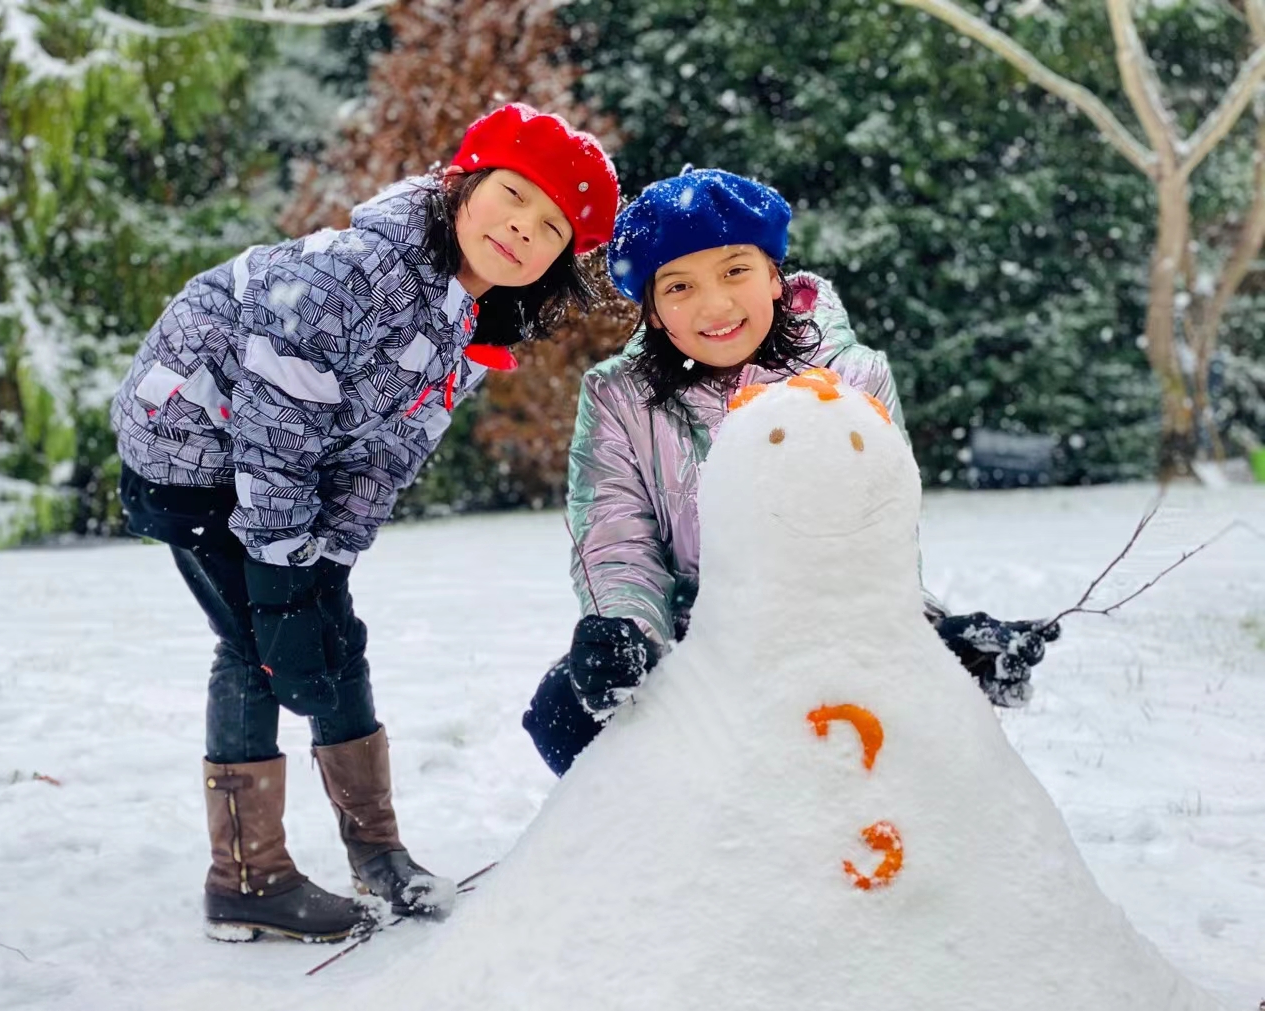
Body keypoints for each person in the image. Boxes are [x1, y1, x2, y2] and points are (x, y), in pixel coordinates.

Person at [111, 104, 618, 940]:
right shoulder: (354, 277)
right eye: (512, 195)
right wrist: (283, 579)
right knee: (258, 647)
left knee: (334, 638)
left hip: (282, 476)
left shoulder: (465, 317)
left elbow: (387, 451)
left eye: (551, 227)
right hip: (193, 455)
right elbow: (277, 432)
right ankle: (246, 878)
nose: (521, 229)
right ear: (464, 184)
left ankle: (377, 852)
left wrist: (331, 561)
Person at [523, 167, 1056, 777]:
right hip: (692, 635)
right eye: (678, 287)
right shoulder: (619, 396)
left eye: (735, 271)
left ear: (775, 277)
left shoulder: (851, 377)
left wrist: (925, 633)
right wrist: (627, 629)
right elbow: (615, 533)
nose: (715, 304)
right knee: (563, 713)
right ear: (651, 311)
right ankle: (665, 849)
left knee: (909, 726)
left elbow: (878, 534)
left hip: (829, 628)